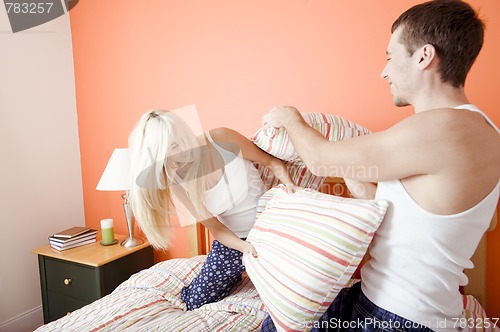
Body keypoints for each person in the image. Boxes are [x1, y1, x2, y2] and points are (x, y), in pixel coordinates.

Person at [262, 0, 499, 331]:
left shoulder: (438, 128)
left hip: (397, 317)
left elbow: (317, 160)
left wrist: (289, 117)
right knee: (279, 321)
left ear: (423, 57)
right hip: (406, 307)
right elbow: (430, 223)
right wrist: (356, 169)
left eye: (390, 56)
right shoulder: (485, 131)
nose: (383, 71)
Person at [128, 109, 297, 310]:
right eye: (173, 147)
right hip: (236, 241)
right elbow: (216, 228)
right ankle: (234, 275)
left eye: (182, 138)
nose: (183, 148)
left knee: (293, 295)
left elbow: (272, 162)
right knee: (194, 300)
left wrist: (290, 186)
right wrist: (245, 249)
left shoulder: (221, 139)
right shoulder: (178, 182)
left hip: (271, 230)